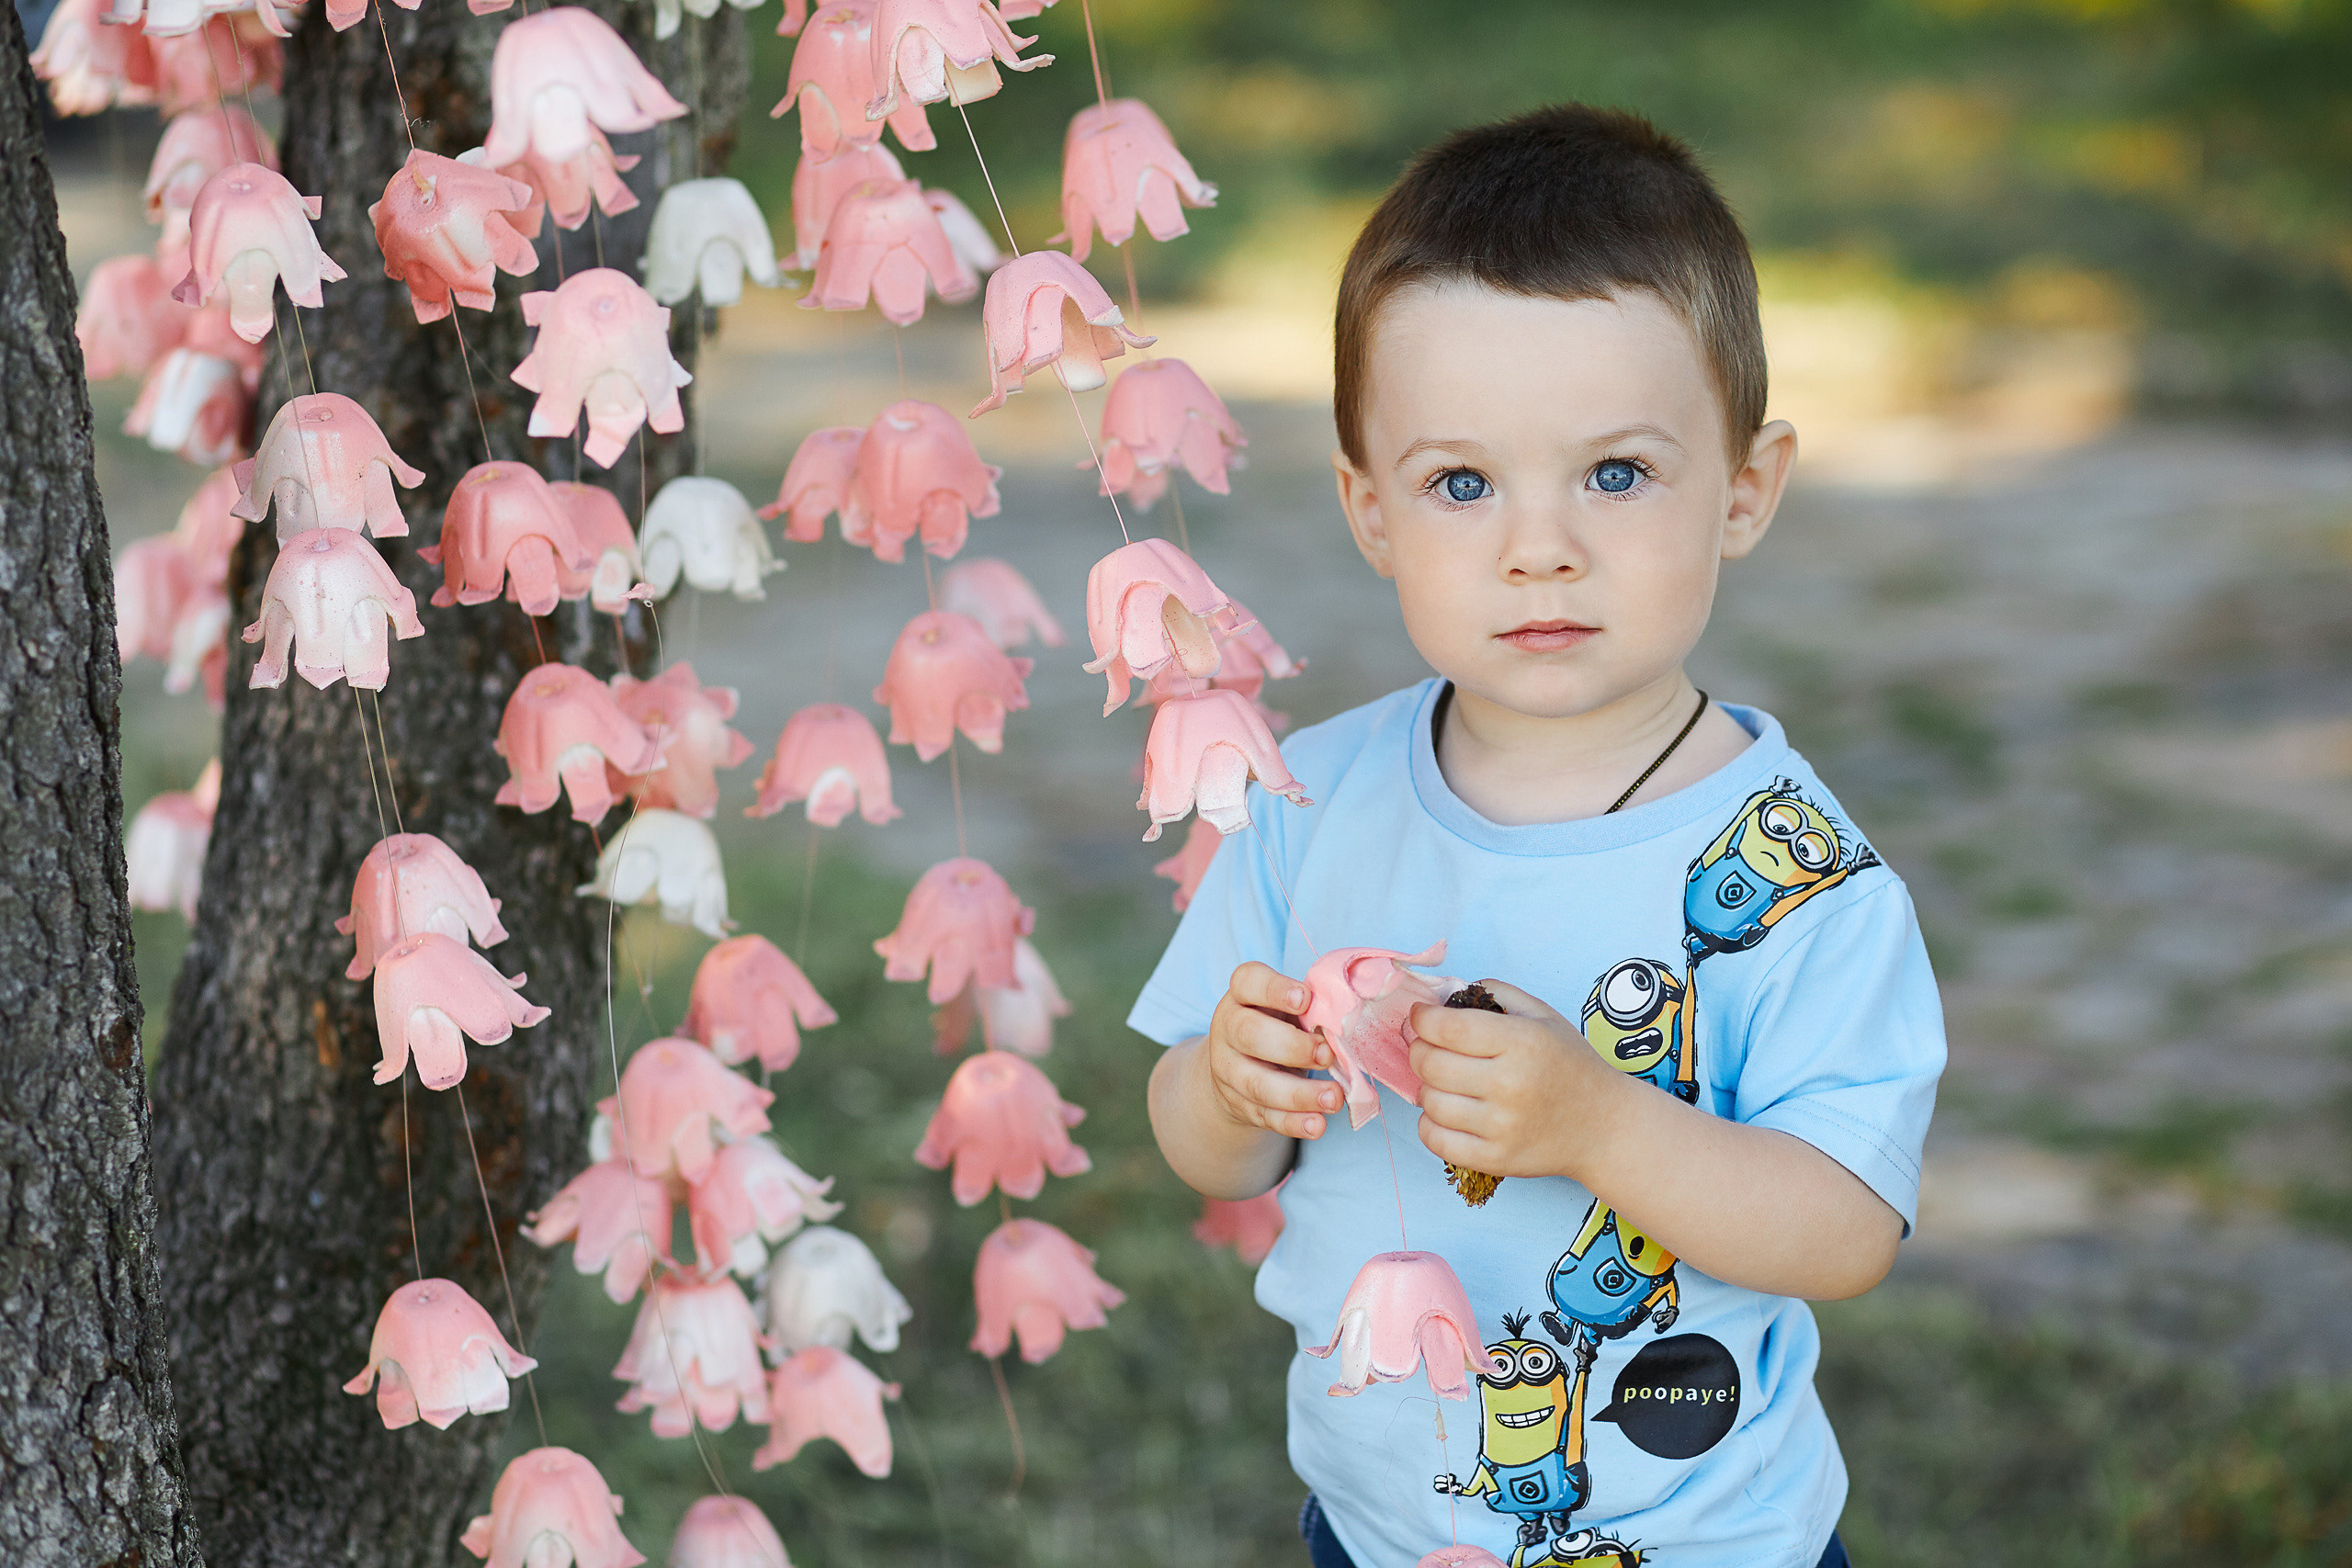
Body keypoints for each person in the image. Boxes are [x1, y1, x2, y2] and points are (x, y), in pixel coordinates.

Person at [1134, 103, 1945, 1568]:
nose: (1539, 544)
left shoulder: (1793, 873)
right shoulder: (1308, 800)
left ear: (1745, 490)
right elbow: (1210, 1159)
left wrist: (1599, 1123)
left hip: (1706, 1543)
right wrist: (1227, 1086)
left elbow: (1847, 1230)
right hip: (1379, 1532)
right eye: (1462, 483)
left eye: (1617, 474)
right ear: (1369, 511)